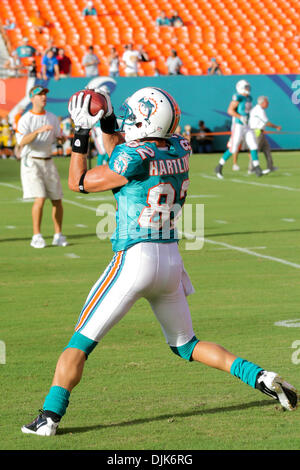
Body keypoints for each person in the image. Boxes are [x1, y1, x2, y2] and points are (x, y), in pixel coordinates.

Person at [21, 86, 298, 436]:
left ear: (145, 120)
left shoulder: (134, 156)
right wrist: (105, 120)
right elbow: (124, 150)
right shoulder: (181, 146)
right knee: (186, 345)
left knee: (80, 341)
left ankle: (49, 417)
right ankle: (260, 376)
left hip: (135, 259)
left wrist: (79, 133)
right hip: (170, 261)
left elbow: (78, 181)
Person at [15, 85, 68, 249]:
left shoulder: (52, 117)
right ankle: (36, 236)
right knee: (40, 198)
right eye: (39, 95)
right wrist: (38, 131)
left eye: (45, 94)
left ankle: (58, 235)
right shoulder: (26, 119)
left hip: (48, 159)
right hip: (31, 161)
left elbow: (59, 139)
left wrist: (61, 139)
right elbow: (21, 141)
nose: (43, 97)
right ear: (32, 99)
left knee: (57, 199)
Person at [215, 80, 263, 179]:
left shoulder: (249, 98)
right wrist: (240, 117)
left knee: (253, 145)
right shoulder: (238, 97)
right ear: (240, 87)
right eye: (246, 87)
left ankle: (257, 167)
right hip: (238, 125)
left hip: (247, 125)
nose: (248, 88)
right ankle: (219, 166)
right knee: (233, 148)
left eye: (248, 86)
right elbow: (230, 110)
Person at [249, 96, 281, 174]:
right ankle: (252, 168)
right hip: (257, 132)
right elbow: (267, 122)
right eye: (267, 102)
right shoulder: (259, 110)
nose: (268, 103)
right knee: (255, 150)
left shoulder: (258, 109)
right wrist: (276, 127)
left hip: (260, 132)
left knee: (267, 149)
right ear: (262, 103)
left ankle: (270, 167)